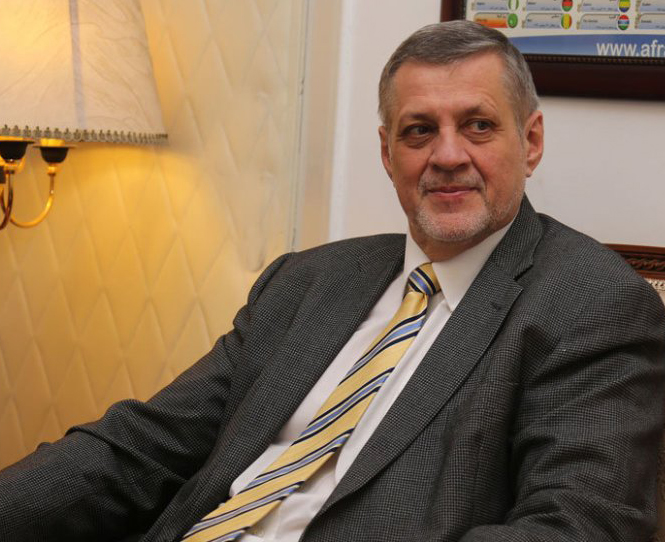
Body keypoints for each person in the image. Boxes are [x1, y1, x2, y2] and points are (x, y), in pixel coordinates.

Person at [1, 20, 664, 542]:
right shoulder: (307, 281)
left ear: (531, 141)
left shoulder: (593, 305)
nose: (447, 155)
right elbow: (143, 446)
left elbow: (577, 526)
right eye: (418, 131)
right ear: (387, 153)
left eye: (478, 126)